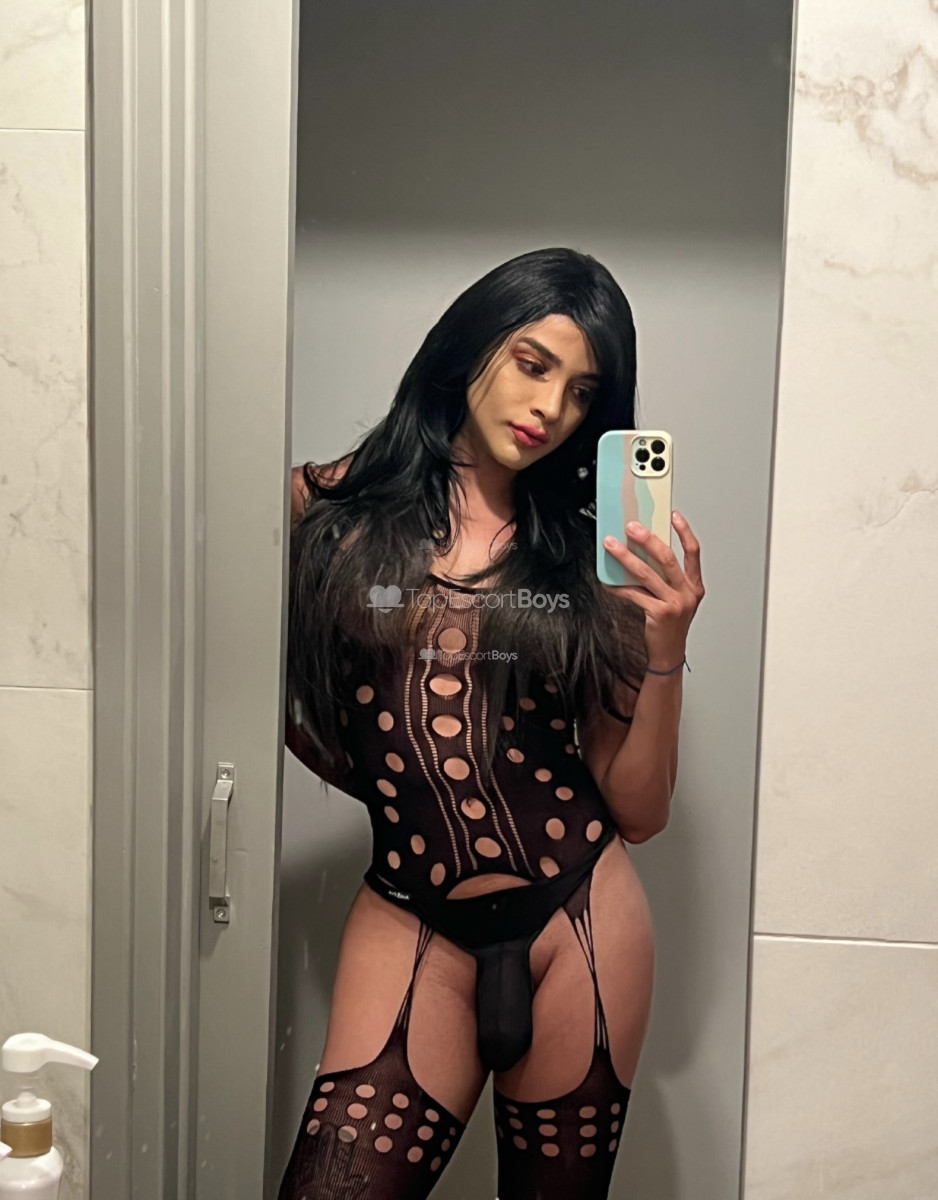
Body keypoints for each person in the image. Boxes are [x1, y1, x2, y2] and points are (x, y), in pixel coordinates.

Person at [278, 247, 704, 1199]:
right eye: (532, 362)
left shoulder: (587, 557)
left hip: (581, 919)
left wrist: (666, 644)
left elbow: (639, 810)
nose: (551, 408)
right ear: (471, 344)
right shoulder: (326, 510)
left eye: (583, 392)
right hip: (409, 913)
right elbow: (239, 673)